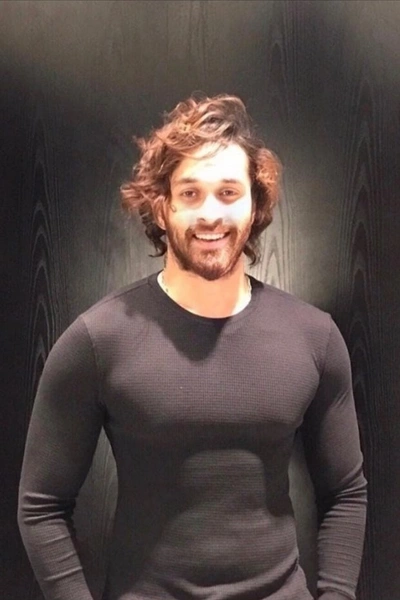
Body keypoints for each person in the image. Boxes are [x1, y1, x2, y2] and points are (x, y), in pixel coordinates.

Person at [18, 94, 367, 600]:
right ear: (162, 208)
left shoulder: (315, 337)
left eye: (228, 192)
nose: (211, 214)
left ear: (255, 205)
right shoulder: (96, 341)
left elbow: (346, 493)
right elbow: (41, 505)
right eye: (190, 193)